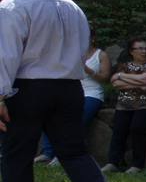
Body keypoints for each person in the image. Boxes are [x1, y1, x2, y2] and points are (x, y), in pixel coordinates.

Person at [0, 0, 107, 182]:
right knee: (74, 152)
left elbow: (6, 54)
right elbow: (82, 49)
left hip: (27, 89)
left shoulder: (11, 6)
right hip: (70, 88)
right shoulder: (72, 6)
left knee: (17, 155)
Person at [35, 27, 108, 166]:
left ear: (92, 38)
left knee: (78, 119)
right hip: (71, 91)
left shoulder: (101, 55)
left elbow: (105, 78)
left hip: (92, 93)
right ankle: (47, 153)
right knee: (49, 114)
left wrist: (88, 70)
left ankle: (62, 155)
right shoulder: (69, 53)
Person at [104, 38, 146, 174]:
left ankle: (137, 165)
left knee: (137, 128)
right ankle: (113, 163)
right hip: (124, 105)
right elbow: (115, 83)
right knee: (119, 130)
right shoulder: (124, 66)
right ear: (131, 51)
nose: (143, 51)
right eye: (139, 48)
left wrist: (122, 77)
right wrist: (140, 83)